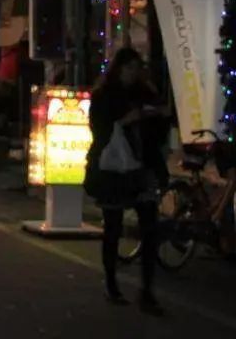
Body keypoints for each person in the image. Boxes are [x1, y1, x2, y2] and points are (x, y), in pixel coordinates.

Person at [84, 47, 169, 315]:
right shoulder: (104, 95)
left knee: (149, 226)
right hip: (113, 168)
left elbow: (158, 131)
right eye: (129, 68)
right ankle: (111, 283)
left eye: (137, 69)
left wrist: (157, 115)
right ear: (119, 69)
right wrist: (122, 121)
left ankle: (147, 290)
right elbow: (98, 129)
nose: (133, 74)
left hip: (141, 167)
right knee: (113, 226)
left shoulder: (145, 93)